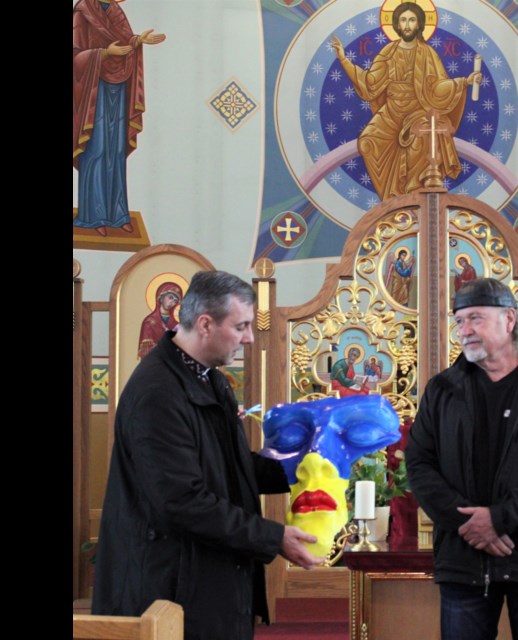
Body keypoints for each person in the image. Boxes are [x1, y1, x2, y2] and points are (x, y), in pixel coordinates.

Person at [93, 271, 325, 640]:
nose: (249, 338)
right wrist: (272, 537)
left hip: (206, 582)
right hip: (168, 589)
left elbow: (230, 466)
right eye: (241, 326)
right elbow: (181, 500)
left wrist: (305, 468)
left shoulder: (208, 378)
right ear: (204, 324)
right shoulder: (158, 392)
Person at [406, 278, 518, 640]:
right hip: (464, 558)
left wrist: (500, 519)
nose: (464, 330)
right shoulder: (442, 389)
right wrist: (471, 525)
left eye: (475, 318)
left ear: (509, 320)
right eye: (459, 321)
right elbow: (419, 463)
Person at [330, 2, 481, 199]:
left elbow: (437, 87)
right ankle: (390, 199)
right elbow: (369, 83)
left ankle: (413, 193)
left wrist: (464, 81)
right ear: (397, 25)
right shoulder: (388, 52)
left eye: (411, 20)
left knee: (418, 140)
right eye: (403, 20)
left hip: (419, 110)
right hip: (392, 111)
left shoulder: (427, 53)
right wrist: (343, 59)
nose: (407, 25)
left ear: (418, 24)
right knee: (367, 142)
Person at [73, 0, 165, 236]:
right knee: (97, 148)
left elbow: (123, 41)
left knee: (116, 149)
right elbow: (75, 57)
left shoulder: (115, 9)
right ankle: (93, 216)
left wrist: (137, 41)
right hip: (94, 92)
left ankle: (117, 214)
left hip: (119, 87)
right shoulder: (82, 11)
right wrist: (104, 53)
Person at [137, 281, 182, 359]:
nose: (172, 302)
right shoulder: (149, 322)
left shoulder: (176, 325)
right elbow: (146, 351)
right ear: (161, 297)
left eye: (175, 301)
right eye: (170, 297)